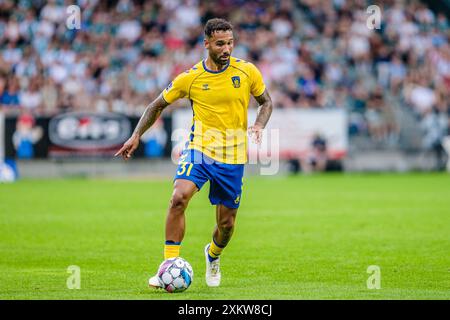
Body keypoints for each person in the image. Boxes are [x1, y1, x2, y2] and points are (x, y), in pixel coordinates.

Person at [115, 18, 273, 288]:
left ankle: (213, 255)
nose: (226, 49)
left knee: (226, 226)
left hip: (233, 157)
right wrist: (136, 135)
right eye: (220, 44)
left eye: (230, 43)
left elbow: (266, 101)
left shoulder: (247, 72)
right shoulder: (190, 78)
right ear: (207, 44)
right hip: (199, 150)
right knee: (178, 198)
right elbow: (156, 105)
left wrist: (258, 124)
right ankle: (167, 265)